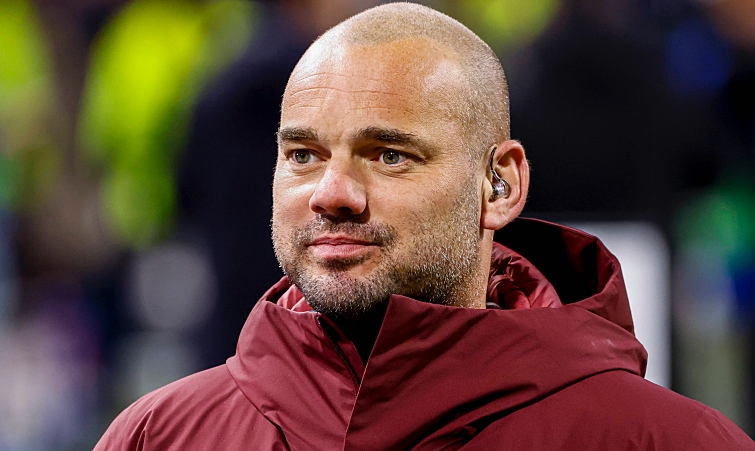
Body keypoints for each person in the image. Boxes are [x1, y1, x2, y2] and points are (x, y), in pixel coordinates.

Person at [95, 3, 754, 450]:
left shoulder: (667, 441)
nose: (332, 193)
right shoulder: (158, 436)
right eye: (303, 155)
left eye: (389, 155)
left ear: (500, 185)